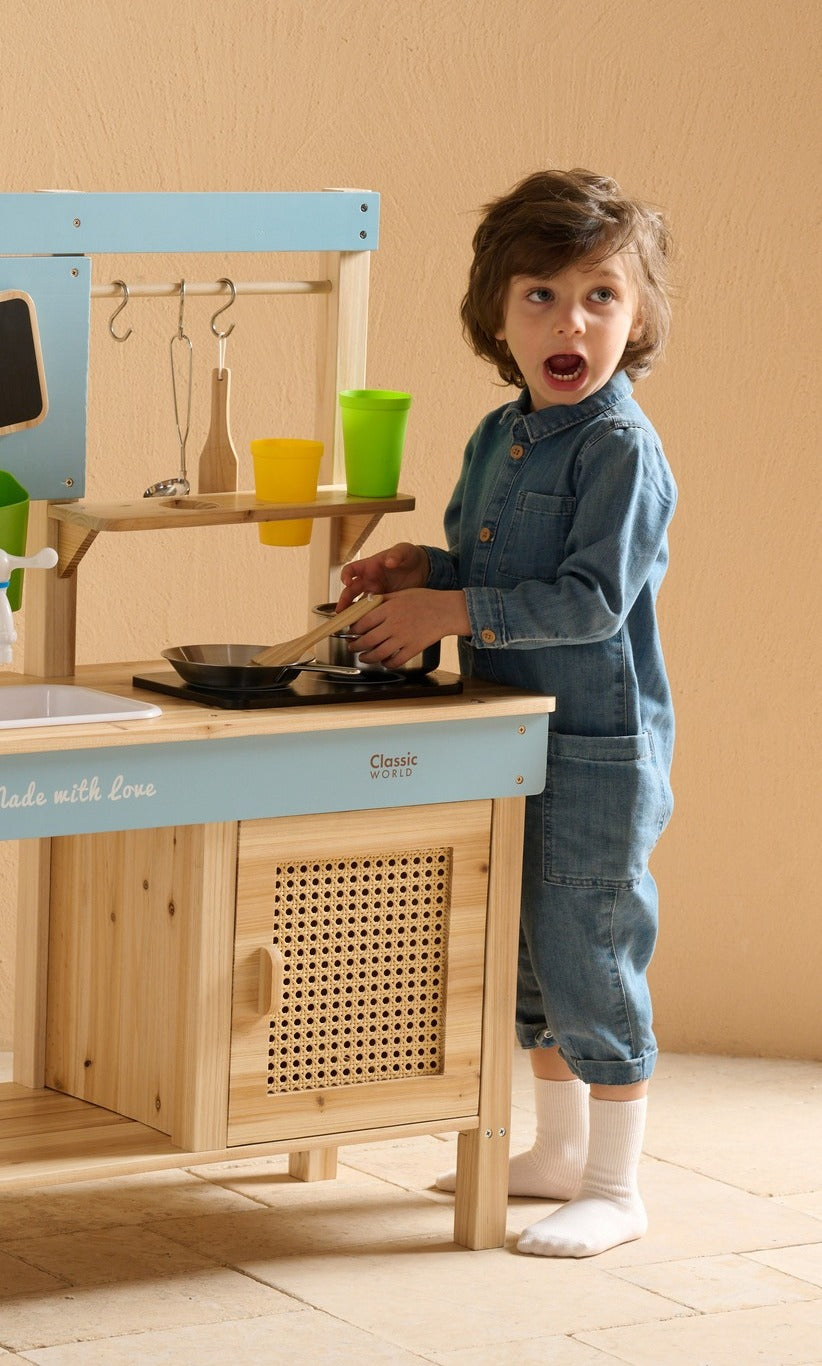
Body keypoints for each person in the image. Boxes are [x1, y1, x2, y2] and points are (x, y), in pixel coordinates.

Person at [337, 169, 675, 1258]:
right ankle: (558, 1151)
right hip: (505, 734)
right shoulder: (498, 435)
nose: (569, 321)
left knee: (590, 951)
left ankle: (617, 1188)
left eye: (599, 297)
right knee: (529, 959)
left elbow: (584, 603)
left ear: (639, 316)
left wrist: (451, 605)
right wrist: (418, 566)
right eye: (539, 295)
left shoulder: (620, 451)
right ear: (497, 315)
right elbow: (495, 564)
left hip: (592, 752)